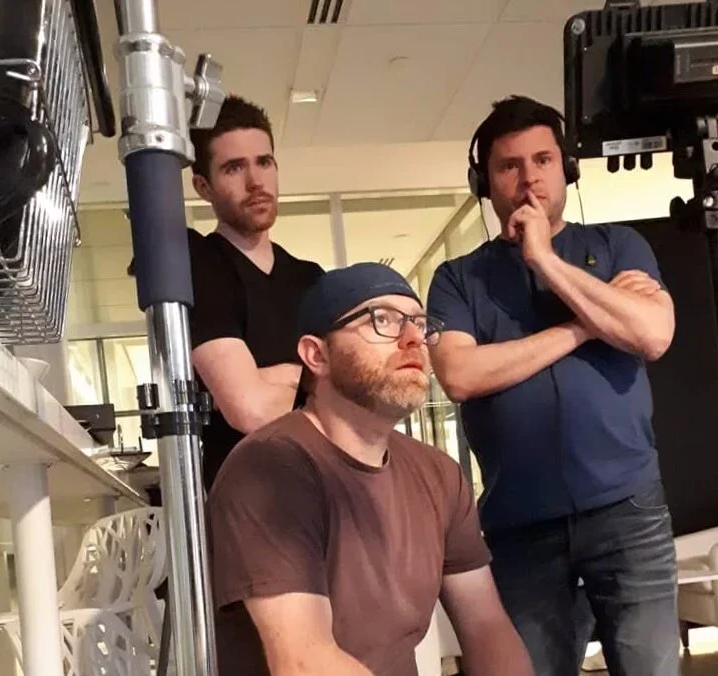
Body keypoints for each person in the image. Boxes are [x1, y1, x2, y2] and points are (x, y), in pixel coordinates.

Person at [426, 95, 679, 676]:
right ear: (484, 182)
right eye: (508, 165)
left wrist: (544, 259)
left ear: (566, 168)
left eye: (542, 160)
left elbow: (653, 335)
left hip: (628, 509)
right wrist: (587, 325)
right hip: (520, 525)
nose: (528, 178)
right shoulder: (457, 279)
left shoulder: (618, 246)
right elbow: (460, 375)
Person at [206, 262, 534, 676]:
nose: (413, 339)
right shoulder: (269, 470)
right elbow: (304, 661)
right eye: (382, 320)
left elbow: (486, 627)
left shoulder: (439, 475)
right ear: (317, 355)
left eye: (419, 324)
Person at [187, 95, 324, 489]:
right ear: (203, 186)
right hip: (247, 500)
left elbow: (354, 397)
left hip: (322, 490)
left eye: (264, 162)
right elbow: (249, 409)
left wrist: (273, 379)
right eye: (234, 168)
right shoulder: (199, 265)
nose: (255, 182)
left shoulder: (312, 279)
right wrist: (311, 382)